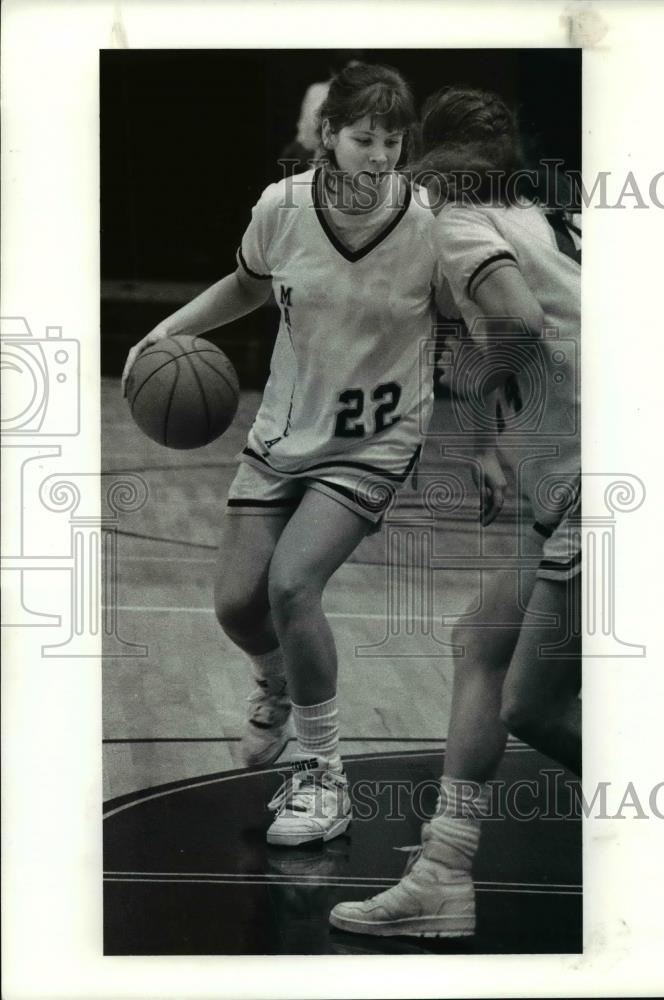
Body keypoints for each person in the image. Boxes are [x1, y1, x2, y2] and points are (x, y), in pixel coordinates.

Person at [122, 62, 445, 847]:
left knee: (293, 586)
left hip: (374, 439)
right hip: (281, 433)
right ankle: (274, 683)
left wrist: (499, 438)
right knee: (238, 605)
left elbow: (476, 323)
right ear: (326, 135)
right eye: (362, 137)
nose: (377, 154)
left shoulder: (431, 223)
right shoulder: (283, 206)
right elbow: (246, 283)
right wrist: (168, 332)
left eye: (391, 141)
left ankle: (322, 774)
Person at [329, 86, 582, 938]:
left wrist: (491, 424)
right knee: (480, 640)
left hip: (601, 484)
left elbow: (513, 320)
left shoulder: (462, 223)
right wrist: (488, 437)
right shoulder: (546, 218)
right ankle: (442, 874)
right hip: (590, 482)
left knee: (533, 708)